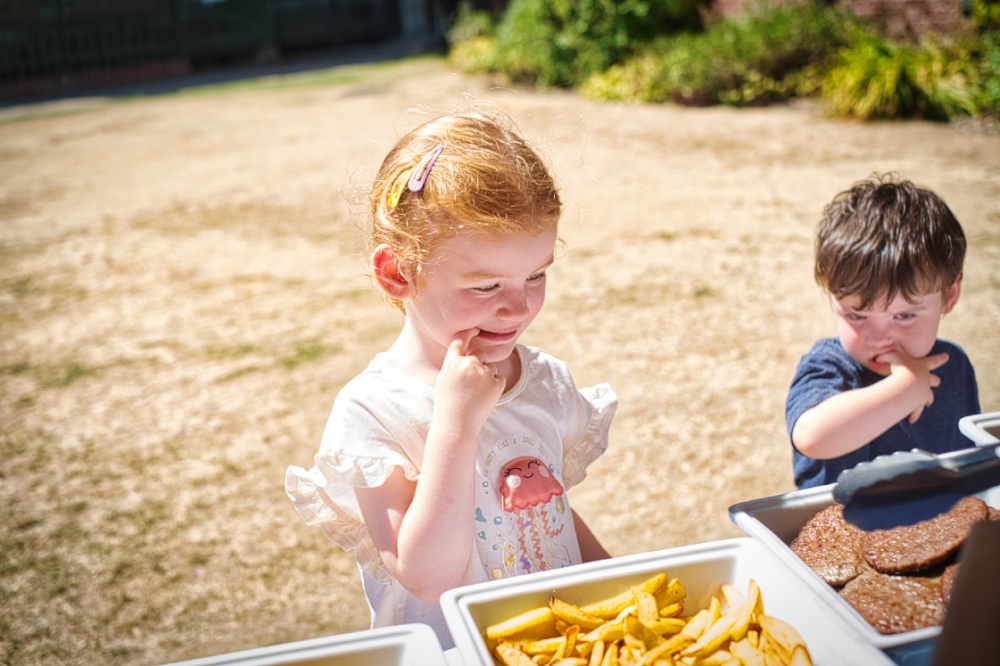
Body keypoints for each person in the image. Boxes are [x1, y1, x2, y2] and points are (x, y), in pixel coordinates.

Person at [284, 107, 616, 648]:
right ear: (398, 274)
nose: (515, 308)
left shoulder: (544, 381)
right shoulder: (373, 413)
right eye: (486, 287)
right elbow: (427, 576)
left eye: (535, 275)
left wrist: (616, 586)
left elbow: (549, 517)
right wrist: (457, 422)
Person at [786, 173, 980, 490]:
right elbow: (812, 436)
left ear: (950, 295)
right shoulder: (829, 367)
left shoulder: (953, 366)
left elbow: (971, 466)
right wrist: (908, 387)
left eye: (904, 315)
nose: (878, 338)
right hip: (842, 536)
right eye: (856, 315)